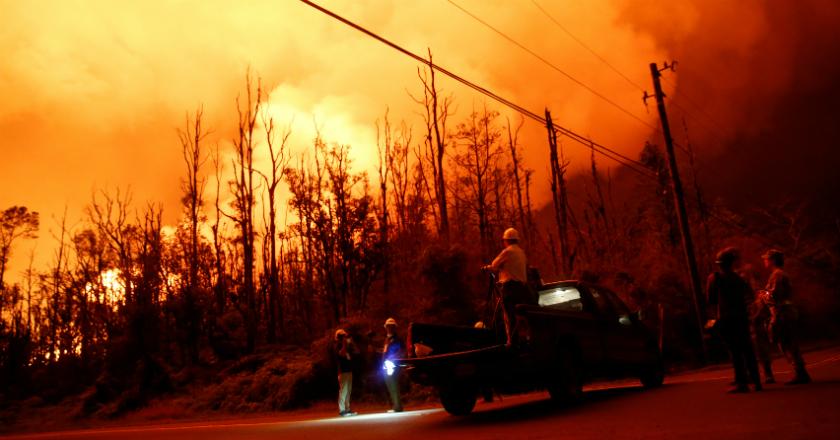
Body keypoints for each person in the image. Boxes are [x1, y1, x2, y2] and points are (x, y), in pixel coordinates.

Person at [706, 247, 762, 393]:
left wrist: (711, 322)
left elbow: (710, 300)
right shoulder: (738, 278)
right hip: (742, 318)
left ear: (719, 263)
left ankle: (741, 382)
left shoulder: (715, 278)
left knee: (735, 351)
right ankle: (756, 382)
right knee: (747, 349)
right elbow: (749, 294)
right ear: (731, 263)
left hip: (726, 319)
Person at [761, 249, 811, 385]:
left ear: (772, 260)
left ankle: (800, 373)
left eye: (766, 259)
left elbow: (774, 295)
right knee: (788, 342)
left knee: (787, 343)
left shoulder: (777, 275)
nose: (764, 261)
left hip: (782, 313)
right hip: (784, 312)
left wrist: (763, 295)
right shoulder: (777, 274)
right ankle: (801, 372)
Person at [483, 228, 532, 347]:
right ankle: (526, 338)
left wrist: (487, 268)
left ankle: (511, 342)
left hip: (509, 288)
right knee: (521, 315)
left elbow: (494, 265)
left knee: (508, 315)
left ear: (507, 240)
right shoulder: (521, 252)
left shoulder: (507, 252)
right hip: (522, 288)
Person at [750, 288, 777, 384]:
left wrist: (753, 319)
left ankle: (768, 375)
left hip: (758, 331)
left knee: (763, 353)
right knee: (752, 355)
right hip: (751, 331)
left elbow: (763, 314)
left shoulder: (761, 303)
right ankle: (752, 376)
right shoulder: (751, 303)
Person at [382, 318, 404, 413]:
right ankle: (396, 406)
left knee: (393, 384)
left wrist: (392, 359)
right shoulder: (387, 339)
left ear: (394, 327)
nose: (389, 328)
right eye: (388, 326)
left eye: (391, 326)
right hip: (386, 364)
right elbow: (385, 351)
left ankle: (398, 406)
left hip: (393, 364)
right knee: (390, 385)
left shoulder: (397, 339)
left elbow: (401, 351)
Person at [335, 329, 357, 416]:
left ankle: (347, 409)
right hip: (342, 371)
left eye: (345, 336)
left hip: (348, 370)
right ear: (339, 337)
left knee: (348, 390)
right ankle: (342, 410)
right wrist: (344, 344)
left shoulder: (347, 346)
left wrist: (351, 343)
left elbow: (356, 351)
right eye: (343, 336)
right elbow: (341, 354)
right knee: (343, 390)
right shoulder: (337, 345)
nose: (345, 337)